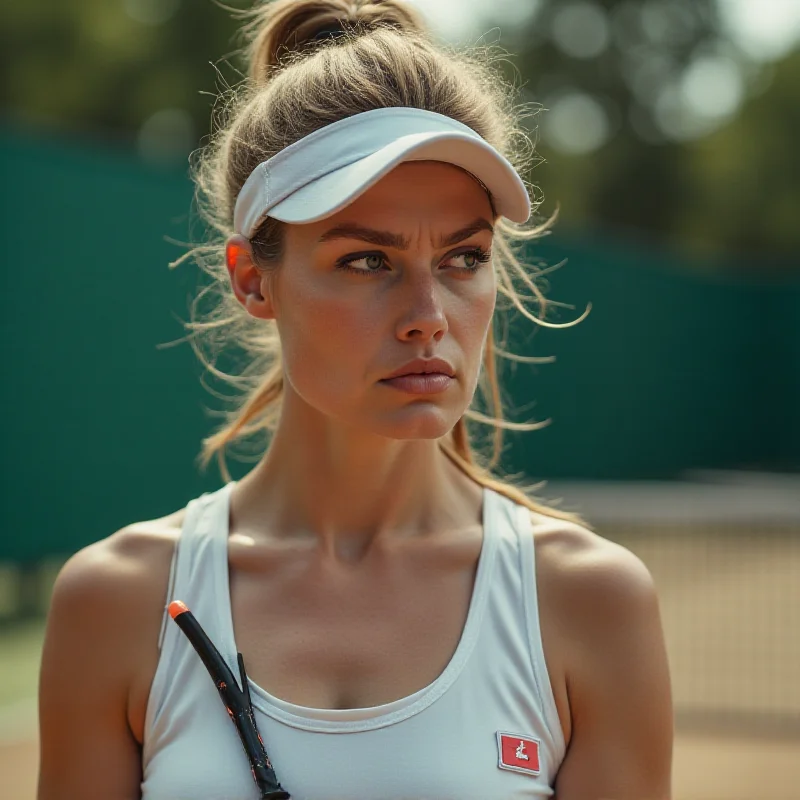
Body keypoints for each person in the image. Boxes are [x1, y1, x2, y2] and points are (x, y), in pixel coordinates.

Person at [37, 1, 673, 798]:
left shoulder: (589, 601)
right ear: (251, 280)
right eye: (367, 261)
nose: (428, 318)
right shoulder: (117, 600)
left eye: (464, 255)